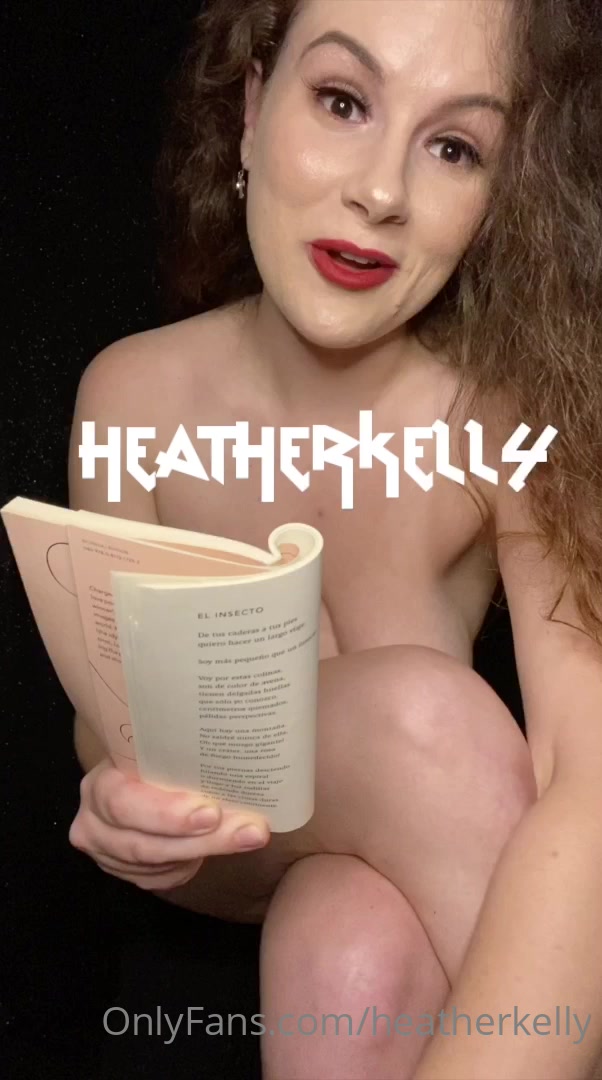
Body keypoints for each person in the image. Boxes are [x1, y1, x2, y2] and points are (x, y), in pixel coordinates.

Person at [67, 1, 602, 1077]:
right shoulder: (131, 397)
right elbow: (109, 716)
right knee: (421, 718)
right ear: (252, 107)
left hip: (375, 901)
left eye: (454, 148)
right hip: (227, 853)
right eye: (342, 101)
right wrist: (117, 801)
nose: (381, 192)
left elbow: (588, 771)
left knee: (344, 936)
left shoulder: (507, 418)